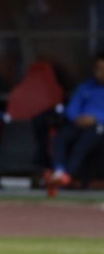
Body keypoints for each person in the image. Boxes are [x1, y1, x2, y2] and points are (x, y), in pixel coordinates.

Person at [45, 53, 104, 191]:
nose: (101, 72)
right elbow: (72, 108)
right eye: (99, 68)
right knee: (60, 137)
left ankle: (67, 175)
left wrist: (96, 118)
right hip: (80, 123)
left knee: (82, 145)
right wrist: (78, 118)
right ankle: (59, 171)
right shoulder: (86, 87)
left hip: (99, 126)